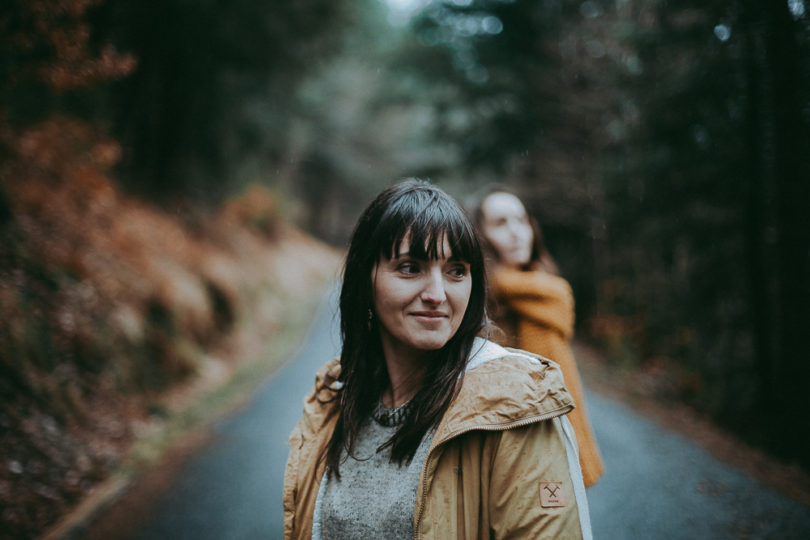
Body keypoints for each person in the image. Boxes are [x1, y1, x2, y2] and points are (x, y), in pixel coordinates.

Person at [283, 179, 592, 539]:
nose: (436, 294)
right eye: (410, 268)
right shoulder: (332, 400)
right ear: (365, 280)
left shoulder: (515, 411)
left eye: (456, 271)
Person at [472, 186, 605, 488]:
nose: (517, 232)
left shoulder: (545, 295)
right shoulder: (474, 299)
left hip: (550, 450)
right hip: (500, 461)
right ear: (481, 235)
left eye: (521, 220)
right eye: (501, 223)